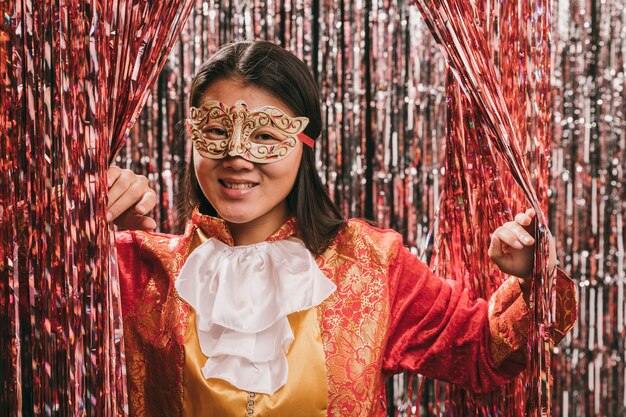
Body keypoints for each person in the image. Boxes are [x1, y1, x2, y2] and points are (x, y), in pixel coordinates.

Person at [109, 41, 577, 417]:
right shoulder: (134, 267)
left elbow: (482, 351)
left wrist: (533, 278)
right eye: (215, 132)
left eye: (266, 136)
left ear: (304, 145)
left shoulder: (372, 264)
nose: (237, 156)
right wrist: (85, 214)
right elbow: (41, 320)